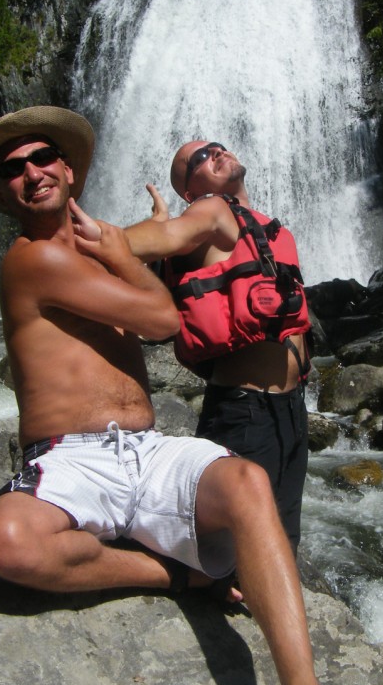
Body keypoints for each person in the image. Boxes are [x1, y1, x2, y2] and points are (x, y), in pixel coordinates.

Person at [0, 106, 375, 685]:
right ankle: (184, 576)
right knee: (8, 544)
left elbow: (157, 299)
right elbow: (159, 318)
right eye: (12, 168)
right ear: (2, 191)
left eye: (42, 157)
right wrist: (127, 255)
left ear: (68, 170)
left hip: (145, 449)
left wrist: (123, 250)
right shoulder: (32, 258)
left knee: (247, 483)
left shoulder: (97, 252)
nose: (31, 172)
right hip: (70, 457)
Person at [124, 142, 312, 553]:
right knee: (235, 553)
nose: (215, 154)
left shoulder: (261, 226)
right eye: (200, 159)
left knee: (280, 546)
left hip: (289, 412)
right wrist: (153, 226)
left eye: (216, 147)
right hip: (246, 411)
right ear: (190, 191)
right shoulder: (210, 211)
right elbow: (159, 237)